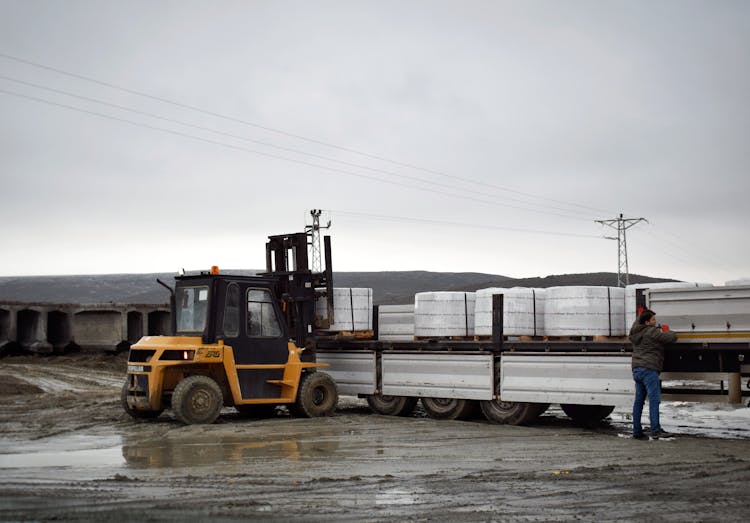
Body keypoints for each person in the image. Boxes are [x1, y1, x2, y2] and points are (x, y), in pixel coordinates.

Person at [629, 309, 677, 439]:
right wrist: (666, 330)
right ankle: (655, 430)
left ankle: (637, 431)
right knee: (654, 400)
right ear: (647, 322)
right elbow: (672, 338)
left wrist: (641, 314)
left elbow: (636, 323)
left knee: (639, 402)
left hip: (637, 369)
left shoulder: (635, 331)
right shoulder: (652, 332)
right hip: (649, 370)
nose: (655, 322)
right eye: (653, 320)